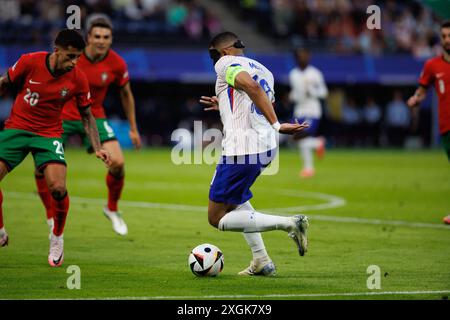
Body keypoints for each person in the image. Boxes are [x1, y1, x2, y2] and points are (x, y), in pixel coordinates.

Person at [199, 31, 310, 276]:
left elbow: (250, 87)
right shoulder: (263, 69)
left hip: (243, 149)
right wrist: (225, 103)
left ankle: (291, 224)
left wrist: (277, 124)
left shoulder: (225, 62)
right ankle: (262, 260)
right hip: (264, 148)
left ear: (224, 52)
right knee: (235, 199)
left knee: (216, 217)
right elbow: (252, 97)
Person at [0, 29, 111, 266]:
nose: (74, 62)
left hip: (48, 134)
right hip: (16, 128)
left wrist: (97, 146)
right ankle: (1, 230)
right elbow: (5, 83)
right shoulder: (30, 61)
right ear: (57, 50)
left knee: (58, 188)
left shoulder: (78, 78)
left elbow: (87, 117)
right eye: (70, 56)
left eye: (78, 57)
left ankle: (57, 236)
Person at [35, 15, 141, 236]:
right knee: (41, 168)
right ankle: (49, 216)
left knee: (118, 164)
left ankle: (111, 209)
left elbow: (126, 94)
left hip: (95, 118)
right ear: (89, 38)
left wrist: (133, 128)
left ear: (111, 39)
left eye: (106, 37)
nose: (102, 41)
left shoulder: (116, 63)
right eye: (97, 36)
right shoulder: (73, 57)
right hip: (61, 116)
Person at [407, 20, 450, 225]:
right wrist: (416, 98)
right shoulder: (432, 65)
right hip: (446, 126)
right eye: (444, 36)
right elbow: (423, 89)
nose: (447, 40)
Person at [288, 47, 328, 178]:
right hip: (299, 110)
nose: (302, 58)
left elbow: (324, 92)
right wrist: (292, 96)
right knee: (297, 140)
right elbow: (296, 92)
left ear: (309, 57)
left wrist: (313, 92)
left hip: (312, 110)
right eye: (300, 56)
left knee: (301, 136)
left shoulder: (315, 73)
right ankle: (317, 146)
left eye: (304, 56)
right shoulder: (293, 74)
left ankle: (309, 166)